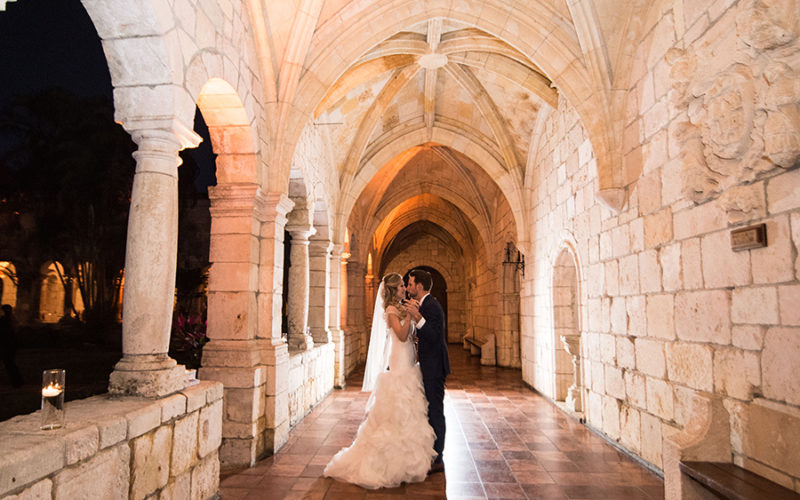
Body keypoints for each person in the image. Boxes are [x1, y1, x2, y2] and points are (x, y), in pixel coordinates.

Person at [324, 273, 437, 489]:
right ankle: (386, 462)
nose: (405, 288)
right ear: (394, 289)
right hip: (398, 360)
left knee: (409, 409)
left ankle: (406, 460)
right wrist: (412, 318)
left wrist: (414, 327)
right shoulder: (391, 310)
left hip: (408, 358)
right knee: (397, 406)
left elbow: (409, 336)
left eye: (406, 285)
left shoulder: (400, 308)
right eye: (402, 285)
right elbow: (401, 335)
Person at [404, 269, 450, 473]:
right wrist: (418, 337)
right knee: (430, 408)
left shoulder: (432, 306)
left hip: (435, 366)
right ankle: (432, 451)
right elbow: (427, 335)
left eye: (410, 284)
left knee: (436, 410)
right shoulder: (426, 305)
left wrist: (417, 317)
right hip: (429, 364)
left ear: (419, 286)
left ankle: (438, 456)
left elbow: (436, 335)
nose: (408, 288)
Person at [0, 304, 22, 388]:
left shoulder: (5, 320)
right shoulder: (11, 319)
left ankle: (17, 382)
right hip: (9, 344)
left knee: (9, 363)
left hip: (6, 345)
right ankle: (17, 382)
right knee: (10, 363)